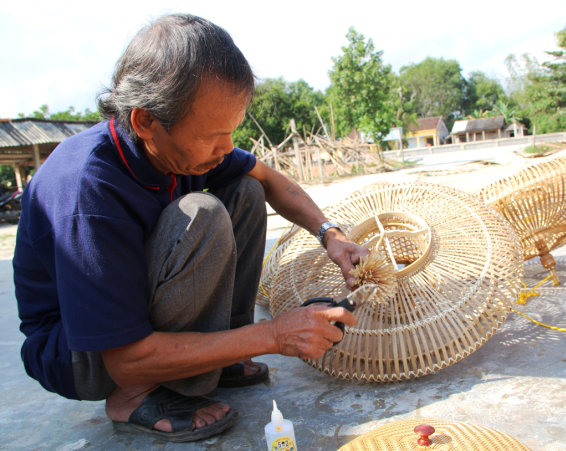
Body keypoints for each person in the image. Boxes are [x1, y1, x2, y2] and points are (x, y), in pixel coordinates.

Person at [13, 13, 367, 443]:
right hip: (82, 352)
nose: (225, 149)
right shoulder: (88, 189)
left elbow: (271, 179)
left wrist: (331, 234)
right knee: (202, 212)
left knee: (246, 189)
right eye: (213, 136)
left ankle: (216, 357)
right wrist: (273, 334)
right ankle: (134, 397)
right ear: (145, 121)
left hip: (139, 312)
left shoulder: (187, 149)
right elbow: (123, 358)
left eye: (231, 134)